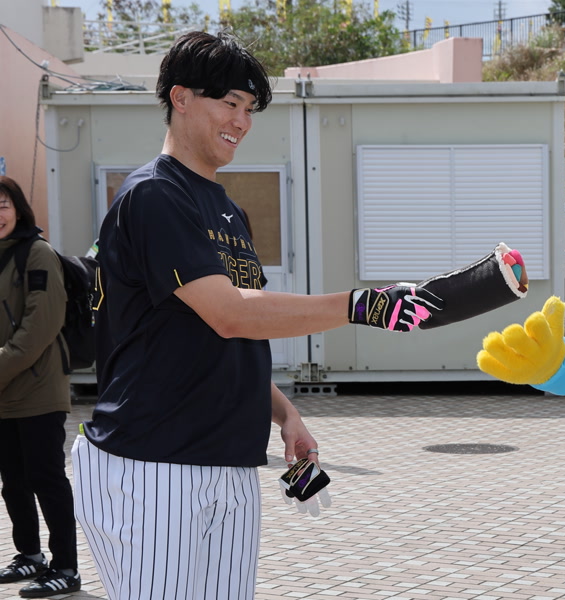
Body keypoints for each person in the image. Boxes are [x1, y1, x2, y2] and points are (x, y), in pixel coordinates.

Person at [71, 30, 443, 600]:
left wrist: (286, 415)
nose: (241, 122)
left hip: (231, 463)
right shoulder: (152, 196)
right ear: (180, 98)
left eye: (249, 109)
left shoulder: (229, 211)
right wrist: (358, 305)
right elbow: (229, 314)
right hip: (149, 464)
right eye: (230, 102)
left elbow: (236, 334)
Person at [0, 175, 81, 597]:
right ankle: (29, 555)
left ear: (18, 209)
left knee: (46, 478)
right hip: (4, 390)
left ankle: (66, 567)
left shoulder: (37, 253)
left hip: (39, 389)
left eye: (2, 206)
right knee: (13, 480)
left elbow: (41, 325)